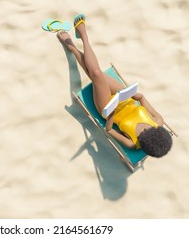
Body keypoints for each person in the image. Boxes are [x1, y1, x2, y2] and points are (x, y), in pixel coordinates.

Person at [57, 14, 172, 158]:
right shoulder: (158, 121)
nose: (143, 132)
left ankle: (83, 34)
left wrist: (110, 115)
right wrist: (134, 95)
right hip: (125, 97)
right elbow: (142, 98)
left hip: (108, 109)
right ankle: (72, 47)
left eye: (143, 136)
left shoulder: (133, 144)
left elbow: (110, 130)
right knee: (95, 73)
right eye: (147, 131)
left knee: (97, 74)